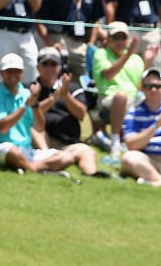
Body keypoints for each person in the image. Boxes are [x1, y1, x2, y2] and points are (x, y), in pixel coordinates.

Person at [0, 53, 78, 175]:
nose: (13, 75)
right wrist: (25, 105)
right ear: (1, 73)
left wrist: (35, 104)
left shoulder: (26, 94)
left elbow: (39, 127)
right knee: (12, 151)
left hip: (25, 149)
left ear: (22, 73)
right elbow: (3, 128)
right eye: (8, 71)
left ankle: (27, 166)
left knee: (66, 158)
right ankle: (37, 170)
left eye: (16, 71)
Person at [30, 46, 105, 177]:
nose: (49, 68)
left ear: (60, 67)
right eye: (45, 64)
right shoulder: (31, 88)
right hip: (43, 143)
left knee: (87, 151)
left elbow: (81, 114)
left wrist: (65, 96)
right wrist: (54, 98)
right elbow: (30, 114)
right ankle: (49, 161)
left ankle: (91, 175)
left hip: (69, 143)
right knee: (33, 130)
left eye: (53, 64)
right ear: (38, 67)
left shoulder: (72, 87)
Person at [91, 21, 144, 156]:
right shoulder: (101, 54)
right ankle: (115, 141)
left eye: (123, 37)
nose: (120, 41)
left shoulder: (137, 59)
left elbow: (140, 85)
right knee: (121, 96)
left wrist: (147, 60)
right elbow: (109, 74)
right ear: (108, 39)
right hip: (108, 99)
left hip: (133, 98)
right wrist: (128, 54)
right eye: (116, 38)